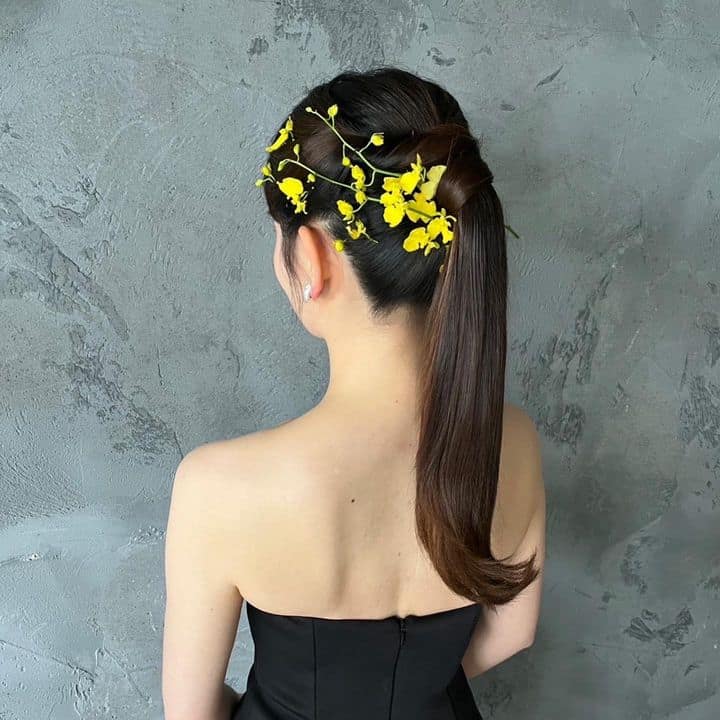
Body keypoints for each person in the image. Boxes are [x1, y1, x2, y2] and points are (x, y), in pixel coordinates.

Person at [161, 66, 546, 720]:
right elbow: (513, 632)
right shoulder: (511, 441)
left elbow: (190, 713)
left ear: (311, 258)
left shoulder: (219, 485)